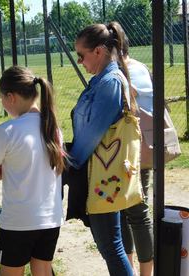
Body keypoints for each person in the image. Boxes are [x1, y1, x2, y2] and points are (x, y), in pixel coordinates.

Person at [66, 22, 138, 276]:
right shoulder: (102, 79)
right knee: (108, 244)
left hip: (103, 173)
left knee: (111, 246)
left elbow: (93, 132)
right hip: (98, 172)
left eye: (81, 55)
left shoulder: (110, 82)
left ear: (98, 51)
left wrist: (69, 161)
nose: (80, 61)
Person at [0, 66, 64, 276]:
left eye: (1, 99)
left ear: (11, 97)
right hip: (50, 219)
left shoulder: (7, 131)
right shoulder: (54, 129)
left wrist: (1, 173)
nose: (3, 104)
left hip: (18, 220)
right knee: (43, 271)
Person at [120, 35, 154, 276]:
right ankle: (131, 270)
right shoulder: (140, 67)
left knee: (135, 214)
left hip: (131, 153)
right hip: (142, 149)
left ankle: (140, 272)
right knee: (132, 214)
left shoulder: (124, 72)